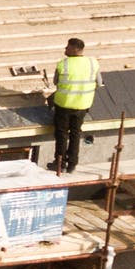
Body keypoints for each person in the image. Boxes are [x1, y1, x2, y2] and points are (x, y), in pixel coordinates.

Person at [46, 37, 100, 173]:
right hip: (83, 105)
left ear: (75, 49)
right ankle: (72, 164)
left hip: (64, 105)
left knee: (62, 134)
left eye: (67, 47)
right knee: (75, 134)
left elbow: (56, 82)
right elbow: (99, 82)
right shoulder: (93, 63)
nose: (65, 49)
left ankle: (60, 163)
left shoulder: (63, 64)